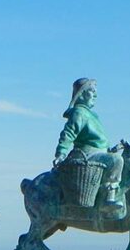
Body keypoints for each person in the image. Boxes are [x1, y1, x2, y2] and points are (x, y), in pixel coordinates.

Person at [53, 78, 124, 208]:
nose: (95, 95)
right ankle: (109, 197)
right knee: (117, 160)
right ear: (81, 94)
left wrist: (110, 150)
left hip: (97, 153)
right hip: (86, 154)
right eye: (91, 91)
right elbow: (68, 133)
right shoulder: (80, 113)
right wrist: (61, 153)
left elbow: (97, 141)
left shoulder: (91, 115)